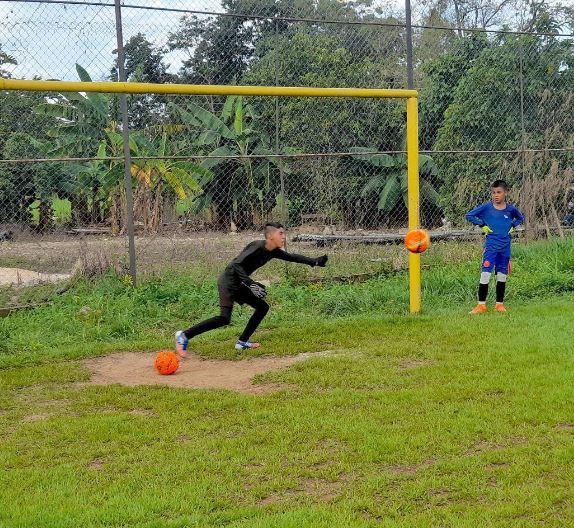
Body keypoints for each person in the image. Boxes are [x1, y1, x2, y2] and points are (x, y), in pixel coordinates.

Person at [175, 222, 328, 355]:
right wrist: (250, 283)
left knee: (262, 307)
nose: (284, 237)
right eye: (280, 233)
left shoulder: (273, 251)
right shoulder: (257, 246)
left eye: (284, 233)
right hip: (228, 282)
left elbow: (292, 257)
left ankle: (242, 342)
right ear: (270, 236)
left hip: (240, 282)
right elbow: (235, 265)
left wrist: (314, 262)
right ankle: (184, 335)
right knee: (224, 318)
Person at [465, 180, 524, 314]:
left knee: (502, 276)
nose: (496, 195)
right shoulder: (486, 208)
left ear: (505, 193)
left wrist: (513, 226)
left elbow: (520, 218)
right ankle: (481, 305)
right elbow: (469, 215)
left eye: (499, 192)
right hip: (491, 247)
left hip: (505, 248)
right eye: (493, 192)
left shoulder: (511, 209)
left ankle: (499, 305)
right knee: (485, 274)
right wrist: (482, 225)